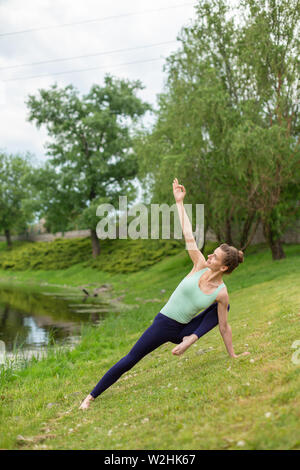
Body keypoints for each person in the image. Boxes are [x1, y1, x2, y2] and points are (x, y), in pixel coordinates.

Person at [79, 178, 250, 410]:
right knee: (131, 359)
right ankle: (90, 397)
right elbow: (187, 232)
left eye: (214, 257)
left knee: (224, 308)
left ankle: (191, 340)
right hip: (164, 324)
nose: (209, 256)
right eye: (211, 253)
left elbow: (223, 326)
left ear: (223, 268)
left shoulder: (221, 292)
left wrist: (233, 355)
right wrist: (179, 202)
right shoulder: (198, 264)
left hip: (187, 329)